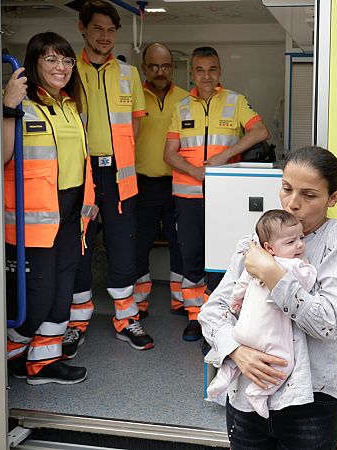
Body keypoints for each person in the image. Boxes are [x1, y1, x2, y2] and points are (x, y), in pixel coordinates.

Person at [199, 146, 337, 449]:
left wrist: (273, 274)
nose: (292, 203)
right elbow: (212, 312)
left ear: (334, 198)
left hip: (310, 404)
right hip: (246, 400)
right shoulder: (256, 239)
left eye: (309, 195)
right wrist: (237, 351)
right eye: (286, 188)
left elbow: (327, 322)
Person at [2, 31, 97, 385]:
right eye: (51, 59)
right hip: (34, 219)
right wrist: (9, 107)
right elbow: (2, 157)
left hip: (71, 213)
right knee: (38, 298)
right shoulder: (19, 104)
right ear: (34, 62)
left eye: (67, 60)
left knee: (62, 291)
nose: (61, 67)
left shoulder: (69, 106)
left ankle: (43, 362)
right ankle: (10, 353)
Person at [164, 46, 270, 342]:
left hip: (225, 197)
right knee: (192, 256)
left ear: (219, 71)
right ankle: (196, 317)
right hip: (187, 197)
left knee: (225, 257)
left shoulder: (235, 101)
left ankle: (222, 316)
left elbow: (260, 132)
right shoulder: (181, 106)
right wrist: (195, 171)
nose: (206, 75)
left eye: (212, 69)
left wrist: (225, 156)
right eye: (200, 70)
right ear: (192, 73)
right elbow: (169, 154)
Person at [64, 0, 152, 357]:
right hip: (80, 174)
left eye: (111, 30)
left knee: (122, 247)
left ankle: (126, 318)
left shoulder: (129, 74)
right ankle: (76, 321)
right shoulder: (68, 71)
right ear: (82, 29)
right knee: (80, 247)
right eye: (97, 29)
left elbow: (136, 123)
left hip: (119, 174)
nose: (104, 37)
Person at [206, 209, 316, 419]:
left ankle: (222, 377)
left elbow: (240, 285)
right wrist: (306, 269)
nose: (300, 245)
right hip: (269, 335)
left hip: (243, 331)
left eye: (301, 238)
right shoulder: (293, 265)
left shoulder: (255, 262)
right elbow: (307, 282)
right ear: (270, 247)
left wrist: (236, 301)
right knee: (285, 363)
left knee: (236, 357)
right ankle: (258, 392)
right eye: (291, 242)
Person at [133, 43, 188, 319]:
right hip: (143, 183)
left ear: (172, 67)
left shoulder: (186, 98)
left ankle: (180, 300)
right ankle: (139, 302)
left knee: (180, 242)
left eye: (165, 65)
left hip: (178, 183)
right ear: (144, 67)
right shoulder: (134, 96)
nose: (160, 71)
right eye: (153, 65)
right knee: (140, 243)